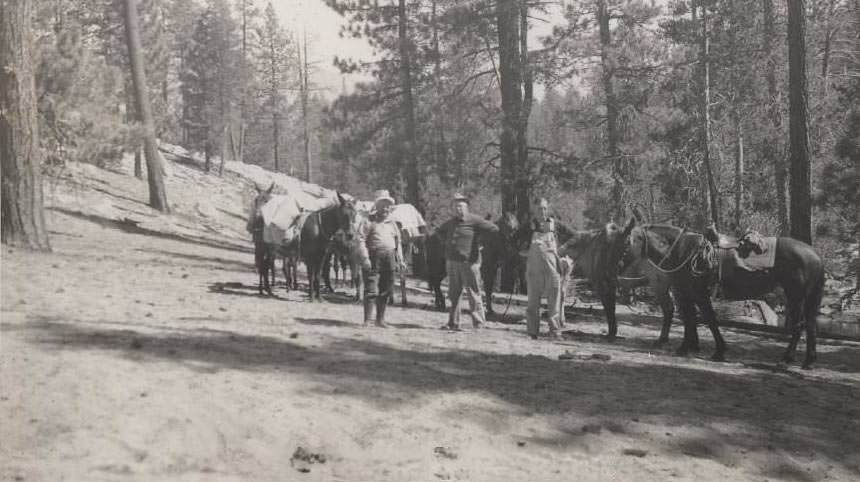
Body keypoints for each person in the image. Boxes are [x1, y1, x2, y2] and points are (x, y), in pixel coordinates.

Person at [437, 193, 499, 331]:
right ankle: (453, 322)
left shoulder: (475, 220)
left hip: (470, 263)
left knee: (473, 293)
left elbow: (494, 229)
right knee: (453, 293)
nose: (458, 209)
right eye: (455, 206)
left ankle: (478, 323)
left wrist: (481, 242)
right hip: (452, 263)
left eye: (461, 206)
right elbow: (439, 232)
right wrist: (446, 244)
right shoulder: (450, 223)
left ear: (466, 207)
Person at [358, 190, 405, 327]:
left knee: (386, 289)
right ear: (376, 206)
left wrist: (400, 260)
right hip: (373, 256)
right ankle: (367, 320)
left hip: (389, 257)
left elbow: (398, 243)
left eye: (387, 205)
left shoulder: (393, 224)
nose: (385, 208)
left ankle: (380, 320)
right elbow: (360, 239)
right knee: (371, 289)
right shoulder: (368, 221)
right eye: (382, 205)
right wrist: (365, 257)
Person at [525, 197, 564, 340]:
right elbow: (513, 240)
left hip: (552, 270)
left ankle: (555, 331)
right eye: (539, 209)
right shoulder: (528, 226)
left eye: (544, 208)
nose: (542, 211)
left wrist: (563, 250)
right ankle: (532, 332)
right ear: (534, 210)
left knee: (554, 303)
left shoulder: (556, 225)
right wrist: (522, 253)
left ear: (548, 209)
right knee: (533, 303)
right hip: (534, 271)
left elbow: (575, 236)